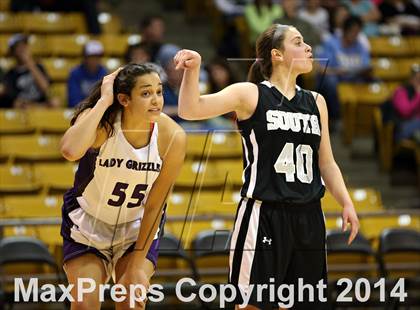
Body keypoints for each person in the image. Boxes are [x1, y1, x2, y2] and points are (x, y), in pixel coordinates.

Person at [175, 24, 359, 309]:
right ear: (277, 55)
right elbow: (190, 110)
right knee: (250, 304)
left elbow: (327, 162)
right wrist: (193, 69)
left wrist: (346, 202)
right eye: (298, 42)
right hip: (264, 214)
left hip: (309, 216)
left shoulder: (316, 102)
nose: (308, 47)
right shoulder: (250, 94)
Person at [59, 63, 186, 309]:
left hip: (136, 227)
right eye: (146, 93)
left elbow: (155, 205)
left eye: (159, 92)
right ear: (124, 100)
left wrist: (138, 264)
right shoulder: (104, 123)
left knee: (131, 299)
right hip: (88, 223)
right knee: (85, 302)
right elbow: (69, 150)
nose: (156, 100)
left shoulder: (172, 136)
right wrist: (104, 101)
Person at [1, 33, 54, 108]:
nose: (23, 49)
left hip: (40, 106)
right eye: (18, 47)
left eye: (25, 45)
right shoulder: (10, 74)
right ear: (13, 51)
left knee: (55, 101)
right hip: (23, 107)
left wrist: (30, 64)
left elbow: (46, 89)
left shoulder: (38, 67)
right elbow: (14, 100)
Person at [67, 40, 108, 108]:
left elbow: (105, 97)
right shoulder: (75, 73)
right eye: (92, 57)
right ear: (85, 58)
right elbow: (73, 100)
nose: (95, 60)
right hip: (79, 110)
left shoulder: (104, 73)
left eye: (97, 57)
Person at [392, 63, 420, 142]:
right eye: (417, 79)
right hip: (404, 126)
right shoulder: (401, 92)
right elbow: (405, 112)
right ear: (410, 79)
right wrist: (418, 96)